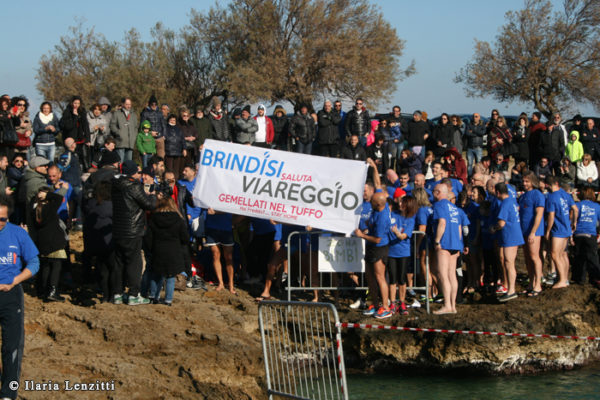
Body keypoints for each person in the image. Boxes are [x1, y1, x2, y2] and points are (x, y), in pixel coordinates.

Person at [0, 195, 40, 400]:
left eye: (2, 219)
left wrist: (15, 281)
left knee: (12, 346)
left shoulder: (18, 234)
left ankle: (9, 392)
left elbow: (34, 262)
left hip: (10, 294)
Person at [111, 160, 157, 305]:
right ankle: (133, 294)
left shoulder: (116, 185)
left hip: (118, 229)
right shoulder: (133, 186)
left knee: (119, 263)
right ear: (132, 173)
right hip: (132, 229)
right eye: (138, 172)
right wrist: (152, 195)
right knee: (134, 262)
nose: (140, 175)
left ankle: (117, 293)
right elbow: (149, 205)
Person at [145, 190, 189, 306]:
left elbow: (148, 238)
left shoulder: (153, 219)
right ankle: (168, 300)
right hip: (173, 251)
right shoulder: (178, 220)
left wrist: (149, 249)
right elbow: (185, 238)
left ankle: (154, 296)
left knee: (156, 275)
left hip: (158, 250)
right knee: (170, 277)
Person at [29, 187, 67, 302]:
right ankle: (53, 291)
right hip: (54, 242)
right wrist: (48, 195)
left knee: (46, 267)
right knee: (56, 266)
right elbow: (59, 198)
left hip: (42, 242)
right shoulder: (49, 207)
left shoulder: (33, 209)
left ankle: (44, 290)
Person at [490, 183, 524, 302]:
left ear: (498, 193)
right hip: (512, 234)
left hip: (510, 235)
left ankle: (511, 290)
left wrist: (493, 228)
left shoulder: (505, 203)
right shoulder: (512, 201)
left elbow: (501, 223)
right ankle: (510, 289)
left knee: (509, 262)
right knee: (508, 262)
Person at [432, 184, 462, 314]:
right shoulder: (454, 207)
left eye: (434, 192)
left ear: (438, 192)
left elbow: (442, 223)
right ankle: (453, 305)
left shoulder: (439, 205)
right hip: (456, 242)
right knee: (452, 275)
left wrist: (437, 240)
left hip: (445, 242)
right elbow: (460, 228)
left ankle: (447, 305)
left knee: (443, 274)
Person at [544, 176, 578, 289]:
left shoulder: (551, 197)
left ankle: (562, 280)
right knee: (563, 254)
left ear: (547, 185)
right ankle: (565, 279)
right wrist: (574, 222)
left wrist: (548, 230)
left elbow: (551, 216)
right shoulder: (565, 193)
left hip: (558, 229)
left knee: (554, 254)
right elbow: (575, 209)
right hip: (566, 228)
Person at [388, 195, 417, 315]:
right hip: (391, 251)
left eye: (403, 203)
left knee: (401, 278)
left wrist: (396, 232)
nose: (400, 205)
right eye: (400, 202)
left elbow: (403, 236)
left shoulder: (410, 219)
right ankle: (393, 303)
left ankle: (402, 302)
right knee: (392, 278)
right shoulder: (393, 214)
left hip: (403, 252)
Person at [571, 187, 600, 287]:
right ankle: (596, 278)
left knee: (579, 257)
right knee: (592, 257)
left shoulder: (577, 205)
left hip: (578, 234)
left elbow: (572, 219)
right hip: (590, 234)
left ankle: (580, 279)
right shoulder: (596, 206)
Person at [59, 96, 91, 170]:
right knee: (73, 156)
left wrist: (88, 139)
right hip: (70, 138)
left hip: (80, 138)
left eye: (78, 103)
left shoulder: (82, 111)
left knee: (83, 156)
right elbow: (68, 126)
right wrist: (75, 116)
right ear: (71, 103)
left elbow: (85, 125)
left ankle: (85, 170)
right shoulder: (67, 112)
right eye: (75, 103)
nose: (76, 105)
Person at [110, 97, 138, 162]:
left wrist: (134, 136)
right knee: (120, 162)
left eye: (130, 104)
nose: (128, 106)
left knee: (128, 164)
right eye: (127, 104)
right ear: (123, 104)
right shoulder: (117, 113)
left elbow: (136, 127)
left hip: (130, 143)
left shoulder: (133, 115)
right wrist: (119, 133)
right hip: (120, 142)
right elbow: (112, 125)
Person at [140, 94, 166, 158]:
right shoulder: (145, 113)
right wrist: (150, 133)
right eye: (152, 104)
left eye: (155, 104)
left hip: (160, 138)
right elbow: (141, 127)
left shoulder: (160, 113)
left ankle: (160, 168)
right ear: (149, 104)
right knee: (150, 157)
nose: (154, 106)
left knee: (161, 157)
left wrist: (164, 136)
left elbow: (164, 125)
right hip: (149, 138)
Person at [164, 114, 186, 180]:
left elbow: (183, 139)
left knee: (176, 169)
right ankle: (168, 182)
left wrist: (184, 148)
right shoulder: (165, 128)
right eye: (171, 120)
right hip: (168, 151)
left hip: (178, 151)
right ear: (168, 120)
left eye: (174, 120)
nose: (172, 121)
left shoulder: (179, 129)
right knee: (169, 169)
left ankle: (175, 182)